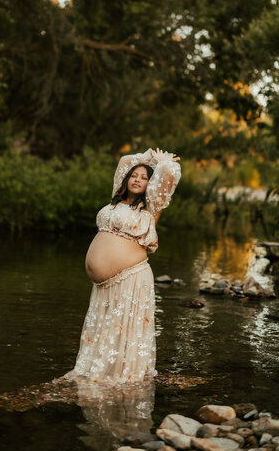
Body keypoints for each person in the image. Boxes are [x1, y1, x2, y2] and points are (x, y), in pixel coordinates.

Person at [63, 147, 181, 387]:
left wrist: (161, 161)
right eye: (134, 176)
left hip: (130, 277)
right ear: (126, 179)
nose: (137, 180)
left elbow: (170, 173)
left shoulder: (151, 208)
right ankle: (96, 372)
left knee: (124, 331)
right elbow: (125, 160)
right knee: (105, 330)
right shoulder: (114, 201)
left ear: (151, 184)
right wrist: (146, 156)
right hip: (104, 284)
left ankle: (123, 377)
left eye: (145, 177)